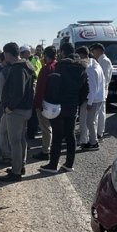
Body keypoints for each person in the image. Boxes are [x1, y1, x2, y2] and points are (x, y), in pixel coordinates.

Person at [43, 40, 88, 173]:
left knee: (57, 135)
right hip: (73, 106)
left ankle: (53, 165)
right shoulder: (82, 67)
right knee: (70, 135)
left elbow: (54, 86)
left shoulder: (61, 66)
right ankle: (69, 164)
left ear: (62, 52)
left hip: (59, 105)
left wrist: (51, 101)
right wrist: (78, 102)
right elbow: (86, 89)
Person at [0, 43, 36, 181]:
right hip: (26, 109)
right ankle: (20, 165)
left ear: (8, 54)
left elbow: (18, 92)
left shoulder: (17, 69)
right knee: (20, 139)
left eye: (5, 53)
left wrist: (10, 107)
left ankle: (16, 172)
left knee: (14, 142)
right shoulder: (26, 66)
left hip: (17, 111)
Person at [32, 45, 58, 160]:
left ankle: (45, 151)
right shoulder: (58, 66)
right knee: (53, 128)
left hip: (46, 104)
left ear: (45, 56)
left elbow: (40, 89)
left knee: (45, 128)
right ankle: (51, 149)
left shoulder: (46, 69)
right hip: (57, 103)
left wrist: (37, 104)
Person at [77, 46, 105, 151]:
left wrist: (89, 102)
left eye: (78, 56)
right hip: (99, 97)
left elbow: (92, 87)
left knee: (89, 122)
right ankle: (90, 141)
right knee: (90, 121)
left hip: (94, 99)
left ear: (82, 55)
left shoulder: (89, 68)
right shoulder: (95, 63)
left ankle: (94, 143)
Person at [91, 42, 113, 140]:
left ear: (99, 50)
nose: (93, 53)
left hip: (101, 91)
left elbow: (106, 78)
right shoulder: (100, 60)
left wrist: (98, 89)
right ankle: (97, 132)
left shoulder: (105, 61)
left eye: (93, 51)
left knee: (100, 113)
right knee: (97, 114)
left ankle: (100, 133)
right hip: (99, 91)